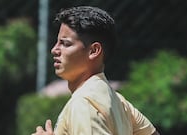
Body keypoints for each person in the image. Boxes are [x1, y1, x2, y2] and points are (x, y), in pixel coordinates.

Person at [32, 6, 160, 135]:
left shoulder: (84, 104)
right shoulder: (118, 101)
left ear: (94, 51)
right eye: (57, 43)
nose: (54, 50)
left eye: (65, 43)